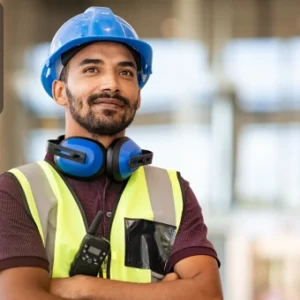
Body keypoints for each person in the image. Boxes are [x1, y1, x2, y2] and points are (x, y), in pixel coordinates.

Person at [0, 6, 223, 300]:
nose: (111, 84)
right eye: (92, 69)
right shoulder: (16, 190)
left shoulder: (172, 192)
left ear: (139, 96)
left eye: (126, 72)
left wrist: (83, 288)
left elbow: (206, 294)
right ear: (59, 92)